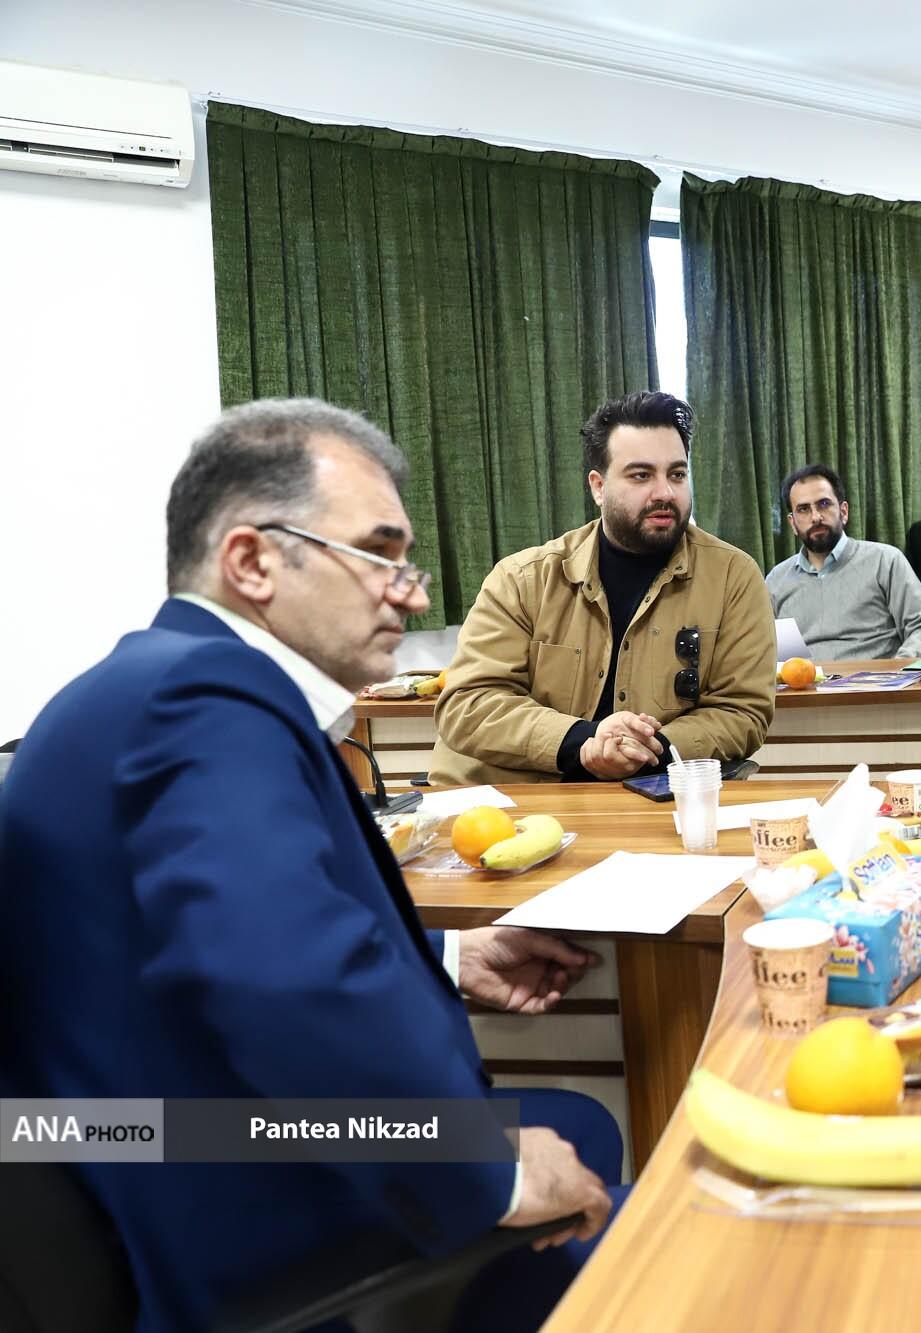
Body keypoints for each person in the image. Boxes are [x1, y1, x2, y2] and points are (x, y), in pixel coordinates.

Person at [0, 399, 624, 1332]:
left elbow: (215, 942)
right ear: (252, 561)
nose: (411, 596)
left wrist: (452, 958)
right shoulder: (201, 698)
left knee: (579, 1127)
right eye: (378, 555)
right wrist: (487, 1169)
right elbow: (277, 978)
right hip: (212, 1199)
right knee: (627, 1212)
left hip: (148, 1139)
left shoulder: (145, 682)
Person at [429, 391, 776, 786]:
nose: (665, 492)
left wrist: (649, 748)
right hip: (518, 798)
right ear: (598, 486)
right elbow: (468, 704)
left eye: (677, 474)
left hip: (652, 792)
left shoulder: (733, 577)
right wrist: (582, 741)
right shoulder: (522, 578)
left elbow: (742, 711)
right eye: (641, 475)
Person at [764, 463, 921, 659]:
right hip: (806, 678)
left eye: (824, 504)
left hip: (877, 677)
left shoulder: (884, 561)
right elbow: (769, 653)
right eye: (803, 509)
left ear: (843, 511)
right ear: (792, 523)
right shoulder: (776, 581)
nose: (815, 517)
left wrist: (897, 671)